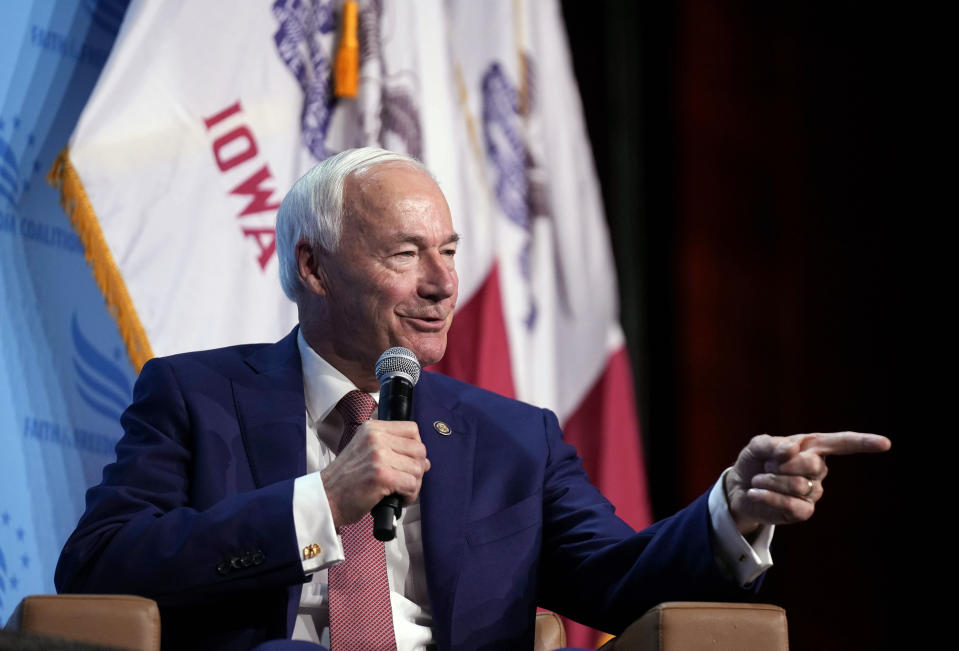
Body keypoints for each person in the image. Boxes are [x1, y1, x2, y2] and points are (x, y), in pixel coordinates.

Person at [55, 147, 890, 651]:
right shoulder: (195, 395)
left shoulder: (511, 438)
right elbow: (99, 566)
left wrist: (730, 511)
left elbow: (619, 579)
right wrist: (321, 502)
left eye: (449, 251)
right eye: (406, 253)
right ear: (313, 268)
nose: (442, 283)